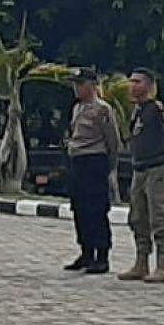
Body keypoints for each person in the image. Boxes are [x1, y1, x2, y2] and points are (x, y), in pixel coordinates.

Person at [117, 68, 164, 284]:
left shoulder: (156, 108)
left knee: (158, 216)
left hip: (155, 168)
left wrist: (163, 155)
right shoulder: (137, 111)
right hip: (139, 168)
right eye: (131, 81)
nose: (133, 86)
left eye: (138, 82)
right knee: (137, 216)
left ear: (149, 85)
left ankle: (162, 265)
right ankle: (141, 262)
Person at [63, 67, 120, 275]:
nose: (76, 88)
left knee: (96, 209)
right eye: (75, 84)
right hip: (77, 161)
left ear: (92, 85)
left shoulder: (102, 109)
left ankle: (102, 254)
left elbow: (112, 140)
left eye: (80, 84)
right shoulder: (77, 108)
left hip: (94, 160)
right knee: (79, 208)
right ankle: (86, 250)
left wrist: (109, 166)